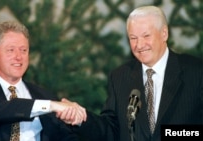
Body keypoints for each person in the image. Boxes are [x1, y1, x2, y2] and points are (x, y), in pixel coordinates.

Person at [58, 5, 203, 141]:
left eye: (146, 36)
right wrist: (80, 119)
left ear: (164, 33)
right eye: (133, 38)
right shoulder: (121, 76)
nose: (139, 45)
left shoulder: (196, 72)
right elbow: (110, 130)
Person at [0, 21, 86, 141]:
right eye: (11, 50)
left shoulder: (43, 95)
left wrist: (75, 117)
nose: (18, 57)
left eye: (23, 50)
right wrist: (50, 106)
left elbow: (66, 137)